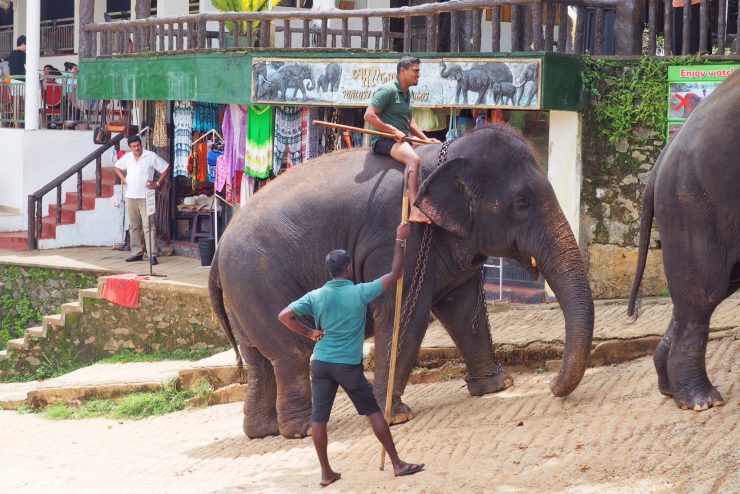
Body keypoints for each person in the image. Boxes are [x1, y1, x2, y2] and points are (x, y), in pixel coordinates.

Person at [277, 221, 424, 487]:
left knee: (318, 418)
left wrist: (310, 333)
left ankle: (326, 473)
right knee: (373, 411)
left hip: (321, 363)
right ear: (348, 269)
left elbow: (284, 316)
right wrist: (400, 240)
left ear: (330, 271)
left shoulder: (316, 295)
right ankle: (397, 464)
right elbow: (396, 273)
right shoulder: (360, 292)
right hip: (347, 365)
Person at [364, 56, 440, 223]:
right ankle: (414, 209)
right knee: (413, 159)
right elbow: (369, 115)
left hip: (402, 139)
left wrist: (426, 139)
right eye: (415, 71)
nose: (418, 75)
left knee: (434, 148)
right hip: (385, 140)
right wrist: (392, 130)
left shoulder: (407, 93)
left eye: (419, 71)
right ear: (402, 71)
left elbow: (410, 122)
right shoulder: (388, 90)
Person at [113, 135, 170, 265]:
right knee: (134, 225)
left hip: (146, 195)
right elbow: (116, 167)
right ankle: (136, 253)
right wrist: (123, 178)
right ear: (130, 147)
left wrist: (157, 183)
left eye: (138, 145)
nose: (136, 148)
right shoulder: (127, 157)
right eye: (133, 146)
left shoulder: (150, 156)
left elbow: (165, 168)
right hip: (130, 195)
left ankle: (152, 255)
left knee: (149, 225)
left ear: (141, 144)